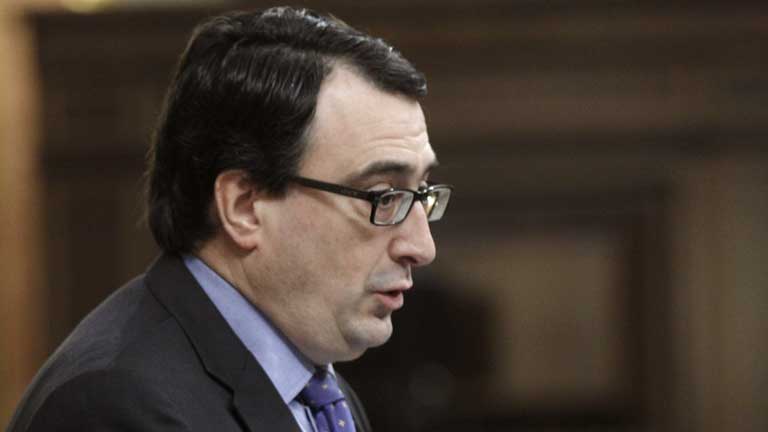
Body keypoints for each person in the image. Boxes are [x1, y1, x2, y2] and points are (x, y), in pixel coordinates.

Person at [8, 6, 452, 432]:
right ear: (244, 207)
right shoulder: (119, 407)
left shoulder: (317, 388)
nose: (422, 247)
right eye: (383, 197)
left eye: (421, 194)